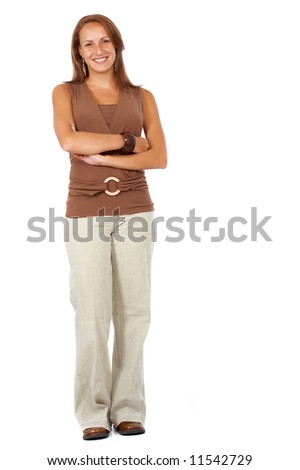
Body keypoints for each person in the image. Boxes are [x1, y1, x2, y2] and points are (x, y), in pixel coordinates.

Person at [52, 14, 167, 440]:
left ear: (117, 46)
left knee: (135, 312)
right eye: (88, 44)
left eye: (105, 41)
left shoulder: (143, 96)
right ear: (78, 52)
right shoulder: (65, 93)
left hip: (136, 210)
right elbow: (70, 141)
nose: (98, 50)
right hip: (85, 210)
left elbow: (159, 158)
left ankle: (128, 407)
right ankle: (93, 412)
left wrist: (107, 158)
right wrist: (130, 141)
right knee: (92, 312)